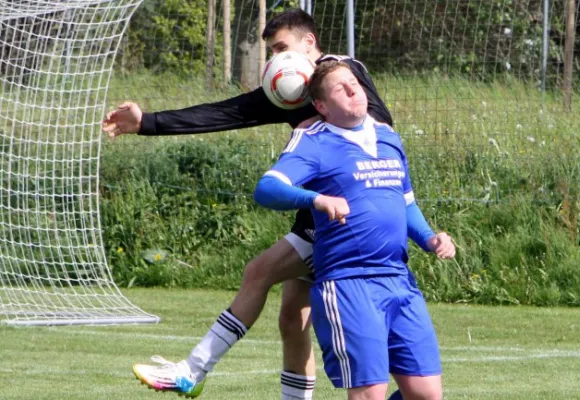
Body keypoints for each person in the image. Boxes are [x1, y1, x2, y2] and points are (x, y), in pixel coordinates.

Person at [103, 9, 455, 399]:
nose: (277, 58)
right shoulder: (288, 88)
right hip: (322, 206)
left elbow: (375, 121)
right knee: (292, 317)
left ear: (310, 43)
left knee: (259, 274)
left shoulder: (344, 73)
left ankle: (192, 370)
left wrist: (319, 125)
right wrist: (148, 121)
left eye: (282, 47)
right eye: (272, 51)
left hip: (347, 214)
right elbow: (230, 112)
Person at [254, 60, 453, 400]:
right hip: (348, 283)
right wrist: (316, 199)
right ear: (321, 106)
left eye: (354, 82)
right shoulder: (313, 141)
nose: (352, 89)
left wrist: (429, 238)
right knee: (369, 395)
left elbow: (405, 204)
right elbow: (267, 189)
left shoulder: (389, 137)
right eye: (339, 88)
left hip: (398, 279)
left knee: (426, 394)